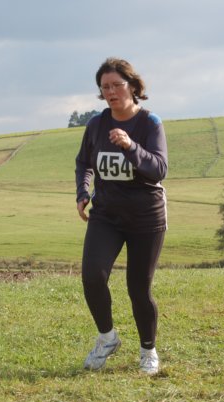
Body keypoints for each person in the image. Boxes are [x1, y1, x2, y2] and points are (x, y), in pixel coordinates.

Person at [75, 57, 168, 375]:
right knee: (92, 276)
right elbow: (84, 163)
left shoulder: (150, 123)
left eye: (117, 85)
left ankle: (148, 350)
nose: (111, 92)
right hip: (106, 215)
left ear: (132, 86)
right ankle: (107, 338)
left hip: (146, 217)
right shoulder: (96, 125)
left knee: (138, 288)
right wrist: (83, 191)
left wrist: (130, 146)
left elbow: (159, 168)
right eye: (105, 87)